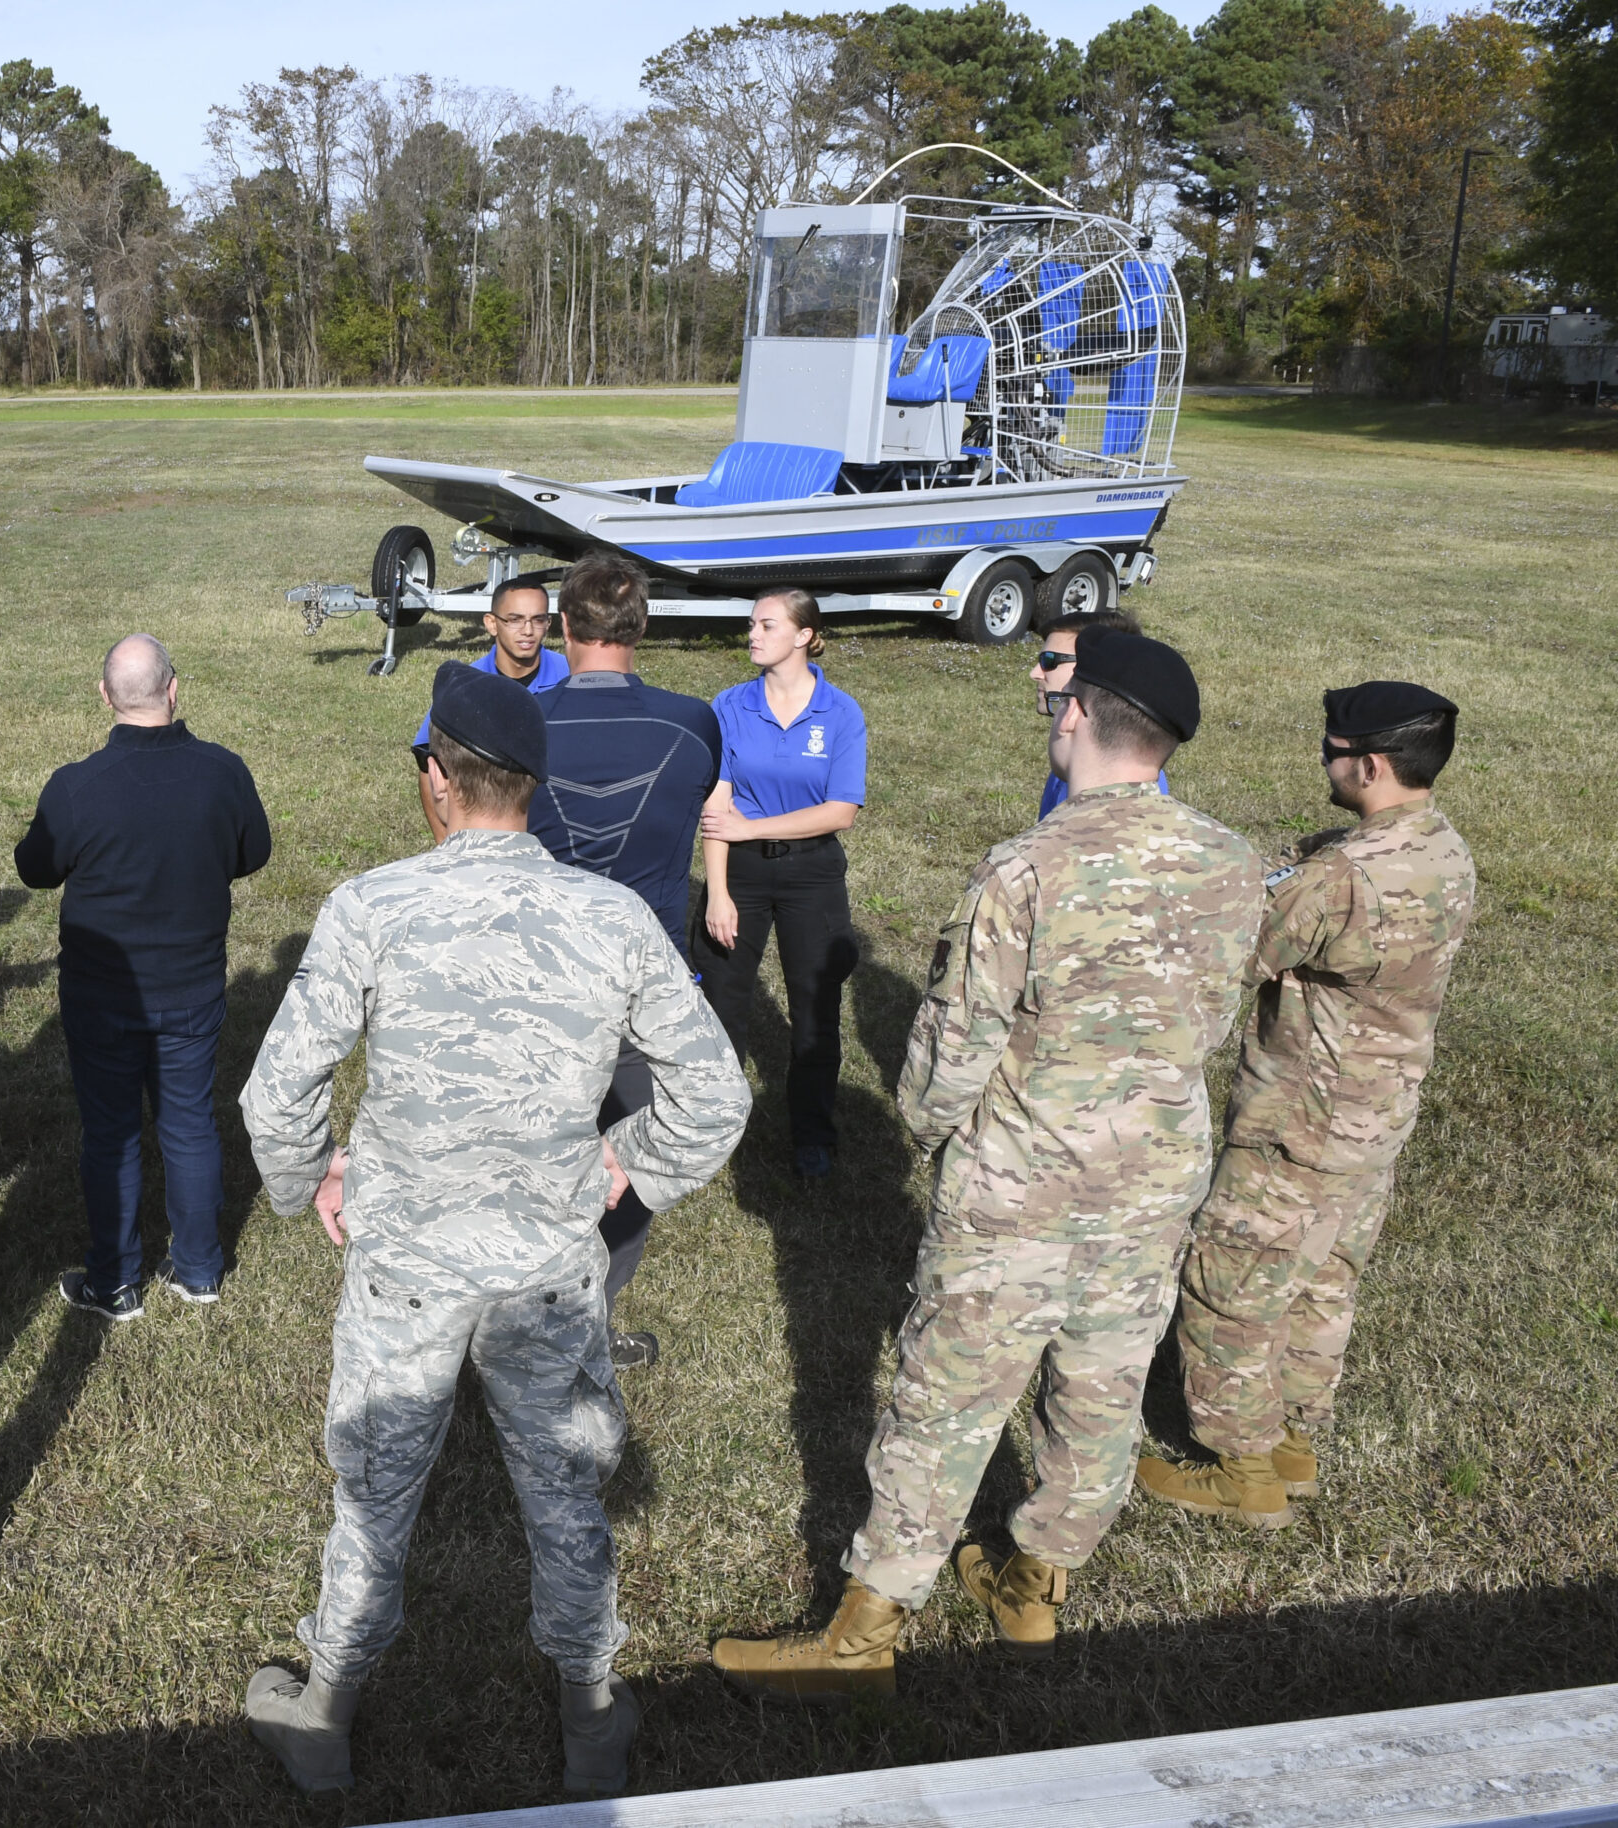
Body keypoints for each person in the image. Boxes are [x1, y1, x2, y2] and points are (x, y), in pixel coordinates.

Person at [713, 633, 1260, 1695]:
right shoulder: (1231, 859)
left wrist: (928, 1137)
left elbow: (946, 1056)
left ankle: (865, 1630)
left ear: (1076, 719)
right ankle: (1036, 1585)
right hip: (1153, 1178)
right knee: (1100, 1388)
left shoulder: (1026, 867)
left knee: (947, 1397)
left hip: (1022, 1187)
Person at [238, 664, 749, 1797]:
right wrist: (628, 1170)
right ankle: (591, 1720)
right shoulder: (611, 916)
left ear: (437, 780)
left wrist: (304, 1188)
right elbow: (713, 1094)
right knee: (563, 1491)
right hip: (547, 1265)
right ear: (533, 786)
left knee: (373, 1495)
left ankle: (323, 1713)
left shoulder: (370, 907)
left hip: (405, 1264)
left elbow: (277, 1096)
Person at [1140, 683, 1474, 1524]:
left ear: (1369, 764)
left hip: (1300, 1121)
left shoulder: (1341, 881)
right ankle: (1295, 1440)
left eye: (1331, 750)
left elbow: (1232, 951)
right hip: (1375, 1120)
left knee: (1233, 1286)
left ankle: (1243, 1470)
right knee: (1322, 1281)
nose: (1322, 762)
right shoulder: (1443, 851)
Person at [14, 634, 272, 1319]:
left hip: (102, 995)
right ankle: (199, 1269)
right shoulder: (223, 772)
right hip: (191, 987)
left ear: (104, 697)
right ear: (174, 690)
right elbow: (256, 851)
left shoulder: (78, 785)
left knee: (112, 1132)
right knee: (189, 1125)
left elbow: (34, 868)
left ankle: (115, 1280)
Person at [526, 553, 722, 1369]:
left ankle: (529, 1321)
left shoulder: (520, 722)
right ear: (641, 627)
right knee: (631, 1167)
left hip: (539, 987)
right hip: (649, 994)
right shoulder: (694, 723)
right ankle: (591, 1318)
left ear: (563, 628)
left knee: (531, 1159)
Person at [689, 588, 865, 1179]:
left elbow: (840, 811)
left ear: (804, 635)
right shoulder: (730, 706)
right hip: (738, 870)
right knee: (721, 1000)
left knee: (816, 1004)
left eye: (767, 624)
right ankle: (714, 1127)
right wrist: (716, 892)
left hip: (812, 873)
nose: (753, 634)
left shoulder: (840, 713)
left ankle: (813, 1134)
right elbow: (718, 806)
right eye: (751, 624)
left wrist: (752, 826)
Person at [413, 576, 569, 843]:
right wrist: (444, 842)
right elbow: (427, 765)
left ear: (549, 624)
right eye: (515, 619)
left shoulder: (570, 676)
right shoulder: (465, 687)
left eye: (538, 619)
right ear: (491, 624)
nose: (528, 630)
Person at [1031, 607, 1165, 816]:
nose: (1035, 673)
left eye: (1049, 661)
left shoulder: (1113, 776)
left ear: (1096, 666)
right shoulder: (1076, 752)